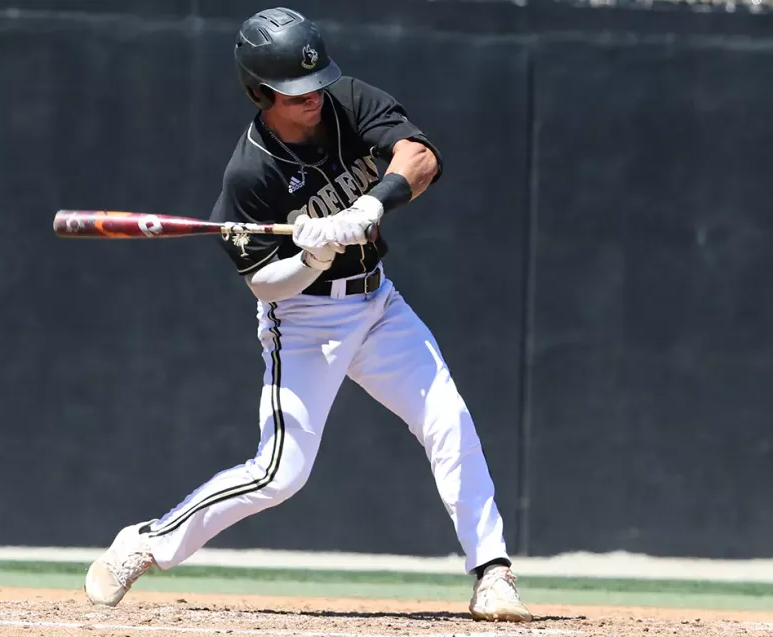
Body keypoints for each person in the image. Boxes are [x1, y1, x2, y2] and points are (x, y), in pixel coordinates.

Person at [83, 7, 532, 622]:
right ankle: (146, 543)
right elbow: (265, 285)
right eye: (295, 92)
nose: (313, 97)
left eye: (316, 82)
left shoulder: (346, 99)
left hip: (378, 303)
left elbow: (419, 157)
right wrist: (313, 257)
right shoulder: (250, 175)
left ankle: (492, 573)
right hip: (303, 320)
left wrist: (371, 206)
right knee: (280, 474)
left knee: (448, 421)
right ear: (260, 94)